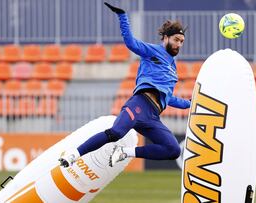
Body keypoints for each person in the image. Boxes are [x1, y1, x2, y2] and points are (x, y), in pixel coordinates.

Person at [59, 2, 191, 168]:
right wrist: (122, 17)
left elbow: (168, 98)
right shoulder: (153, 51)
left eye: (182, 41)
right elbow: (131, 43)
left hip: (152, 116)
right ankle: (74, 155)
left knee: (173, 150)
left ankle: (125, 152)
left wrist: (190, 104)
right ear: (166, 38)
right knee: (115, 133)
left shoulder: (173, 68)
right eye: (176, 39)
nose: (179, 44)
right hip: (140, 104)